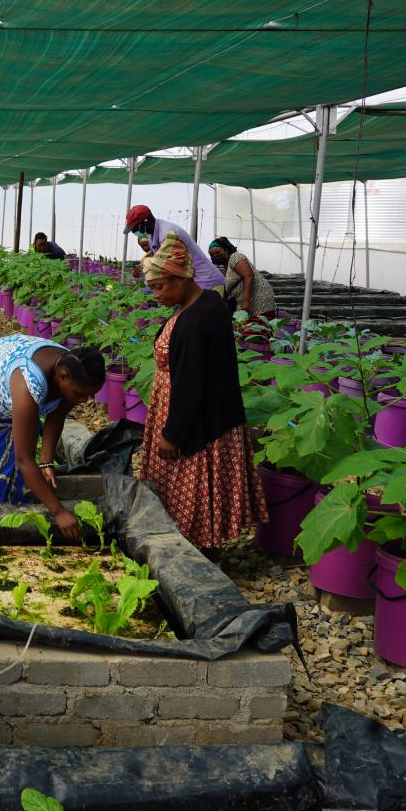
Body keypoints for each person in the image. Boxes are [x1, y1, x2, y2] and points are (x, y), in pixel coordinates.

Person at [137, 233, 267, 552]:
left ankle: (196, 556)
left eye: (159, 286)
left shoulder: (196, 319)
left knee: (192, 493)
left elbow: (193, 384)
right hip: (199, 417)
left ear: (182, 278)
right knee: (192, 496)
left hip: (195, 425)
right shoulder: (204, 303)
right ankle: (195, 548)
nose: (155, 295)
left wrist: (173, 434)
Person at [0, 335, 105, 538]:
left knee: (9, 468)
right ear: (62, 376)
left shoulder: (73, 370)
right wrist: (59, 512)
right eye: (80, 394)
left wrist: (47, 462)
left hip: (7, 391)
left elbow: (56, 418)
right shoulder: (29, 384)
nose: (84, 400)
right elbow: (25, 460)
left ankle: (5, 518)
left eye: (90, 395)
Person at [124, 205, 225, 290]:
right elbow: (156, 255)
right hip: (195, 283)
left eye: (135, 229)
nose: (134, 232)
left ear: (145, 221)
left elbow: (164, 266)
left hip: (207, 282)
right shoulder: (153, 234)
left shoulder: (167, 233)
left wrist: (145, 265)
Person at [208, 237, 277, 323]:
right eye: (212, 255)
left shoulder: (235, 257)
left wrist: (246, 301)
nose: (215, 256)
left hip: (257, 302)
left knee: (256, 332)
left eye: (217, 252)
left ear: (226, 250)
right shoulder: (226, 266)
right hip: (247, 306)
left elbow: (248, 275)